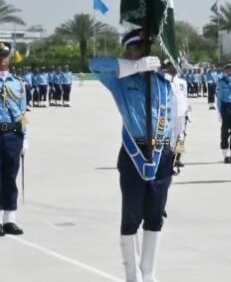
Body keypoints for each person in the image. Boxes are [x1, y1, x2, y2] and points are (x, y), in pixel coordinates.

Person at [89, 30, 173, 282]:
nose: (144, 51)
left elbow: (172, 117)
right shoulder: (120, 80)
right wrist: (134, 66)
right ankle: (132, 275)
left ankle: (148, 273)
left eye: (146, 47)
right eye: (137, 47)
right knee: (132, 215)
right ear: (128, 51)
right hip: (134, 152)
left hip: (162, 152)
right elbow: (95, 65)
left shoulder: (163, 81)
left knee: (155, 214)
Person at [0, 41, 27, 237]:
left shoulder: (18, 83)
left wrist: (25, 138)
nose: (2, 59)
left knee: (10, 175)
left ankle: (10, 219)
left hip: (13, 134)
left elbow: (22, 112)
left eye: (4, 56)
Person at [163, 61, 189, 172]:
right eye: (171, 66)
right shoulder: (163, 81)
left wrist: (186, 112)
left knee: (181, 137)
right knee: (169, 138)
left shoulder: (182, 82)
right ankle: (168, 161)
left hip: (181, 114)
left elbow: (185, 98)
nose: (173, 68)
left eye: (175, 66)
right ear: (167, 67)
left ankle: (177, 158)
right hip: (169, 114)